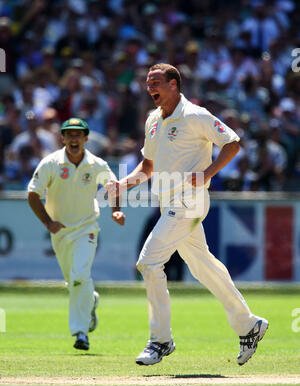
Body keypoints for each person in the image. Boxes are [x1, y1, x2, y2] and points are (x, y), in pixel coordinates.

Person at [106, 63, 268, 366]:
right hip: (168, 204)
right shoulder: (153, 121)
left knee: (148, 262)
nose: (150, 87)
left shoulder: (195, 115)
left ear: (173, 85)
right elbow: (148, 166)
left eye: (156, 82)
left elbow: (232, 143)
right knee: (202, 265)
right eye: (147, 83)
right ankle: (249, 325)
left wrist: (207, 173)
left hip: (190, 202)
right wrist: (123, 184)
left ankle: (160, 340)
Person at [27, 117, 125, 351]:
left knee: (80, 274)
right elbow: (33, 194)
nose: (73, 139)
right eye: (69, 134)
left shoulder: (96, 164)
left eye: (78, 135)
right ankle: (90, 300)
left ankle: (81, 333)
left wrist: (116, 211)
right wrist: (48, 223)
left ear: (85, 138)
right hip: (60, 231)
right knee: (74, 281)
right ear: (63, 138)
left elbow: (113, 186)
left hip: (86, 227)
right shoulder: (51, 163)